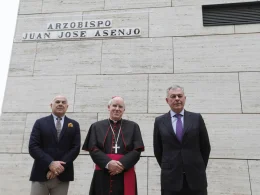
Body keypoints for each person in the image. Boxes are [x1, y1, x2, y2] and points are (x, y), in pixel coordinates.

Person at [153, 85, 211, 195]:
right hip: (170, 180)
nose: (177, 99)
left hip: (196, 178)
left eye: (180, 96)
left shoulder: (196, 118)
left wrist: (198, 167)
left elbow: (205, 147)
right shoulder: (160, 121)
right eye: (173, 96)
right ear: (167, 100)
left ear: (185, 98)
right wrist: (171, 166)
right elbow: (158, 150)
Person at [82, 96, 144, 195]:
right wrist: (108, 163)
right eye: (114, 106)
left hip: (125, 171)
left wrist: (122, 165)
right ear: (108, 107)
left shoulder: (133, 126)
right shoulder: (96, 126)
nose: (117, 109)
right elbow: (92, 148)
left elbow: (137, 150)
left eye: (120, 106)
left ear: (124, 109)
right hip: (103, 171)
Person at [28, 95, 81, 195]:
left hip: (62, 176)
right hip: (40, 174)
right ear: (51, 105)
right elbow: (33, 147)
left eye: (63, 102)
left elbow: (75, 148)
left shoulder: (74, 124)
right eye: (57, 102)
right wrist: (50, 163)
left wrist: (58, 168)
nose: (60, 104)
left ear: (67, 106)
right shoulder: (40, 123)